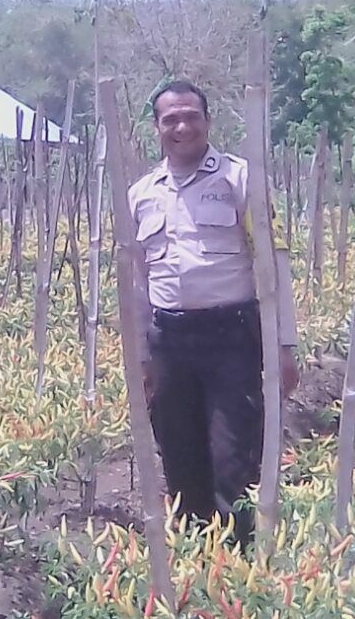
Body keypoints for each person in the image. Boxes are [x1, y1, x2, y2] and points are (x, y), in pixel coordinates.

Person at [128, 80, 300, 547]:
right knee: (180, 460)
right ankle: (196, 567)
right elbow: (139, 282)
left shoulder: (241, 180)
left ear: (207, 121)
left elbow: (273, 262)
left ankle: (238, 569)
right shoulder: (142, 193)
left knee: (233, 460)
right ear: (157, 128)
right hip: (171, 341)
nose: (182, 126)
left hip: (231, 338)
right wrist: (144, 356)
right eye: (171, 119)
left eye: (191, 116)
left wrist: (285, 345)